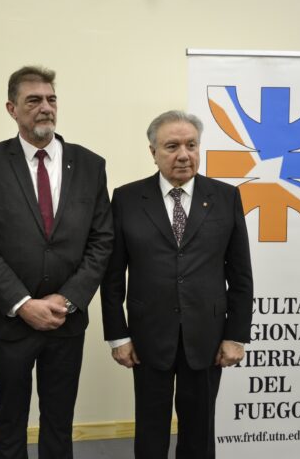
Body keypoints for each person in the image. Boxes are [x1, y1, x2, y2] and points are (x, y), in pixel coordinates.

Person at [0, 66, 113, 459]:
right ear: (12, 108)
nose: (45, 108)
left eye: (51, 99)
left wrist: (67, 300)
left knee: (59, 420)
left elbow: (102, 241)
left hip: (66, 320)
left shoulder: (90, 164)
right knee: (10, 418)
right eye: (33, 100)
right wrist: (22, 303)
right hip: (10, 319)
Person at [100, 110, 253, 459]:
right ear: (153, 152)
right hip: (147, 336)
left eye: (191, 145)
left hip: (207, 336)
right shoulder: (126, 199)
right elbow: (112, 275)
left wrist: (236, 335)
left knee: (200, 431)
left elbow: (241, 275)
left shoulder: (226, 197)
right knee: (151, 429)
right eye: (172, 146)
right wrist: (118, 335)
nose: (183, 154)